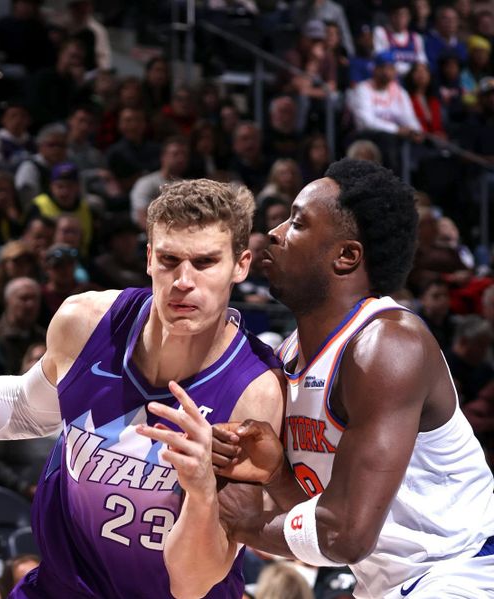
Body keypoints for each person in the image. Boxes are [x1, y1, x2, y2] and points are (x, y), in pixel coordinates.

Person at [0, 178, 284, 598]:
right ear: (148, 258)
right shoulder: (86, 323)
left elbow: (192, 583)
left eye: (205, 262)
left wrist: (202, 490)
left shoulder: (254, 392)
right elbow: (24, 410)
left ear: (241, 265)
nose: (184, 281)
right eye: (169, 260)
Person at [166, 158, 494, 599]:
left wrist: (248, 524)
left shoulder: (387, 345)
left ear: (346, 256)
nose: (276, 232)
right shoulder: (287, 359)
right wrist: (278, 474)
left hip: (465, 572)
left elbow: (345, 536)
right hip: (386, 584)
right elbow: (320, 531)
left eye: (297, 223)